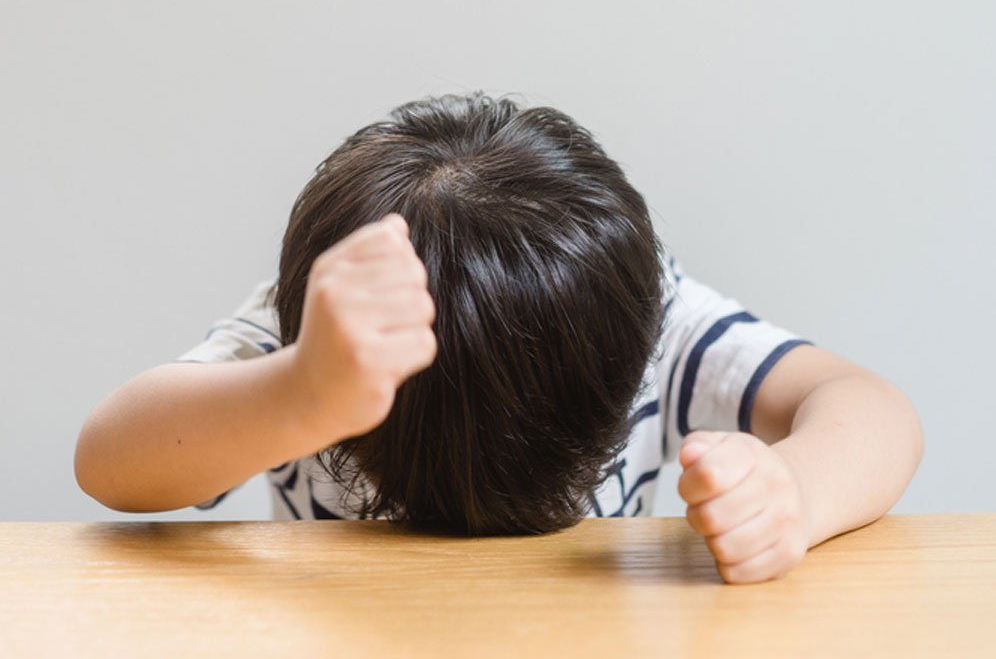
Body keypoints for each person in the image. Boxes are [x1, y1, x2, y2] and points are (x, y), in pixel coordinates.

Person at [74, 92, 923, 584]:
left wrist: (796, 493)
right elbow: (109, 462)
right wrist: (297, 390)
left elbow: (871, 409)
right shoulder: (331, 330)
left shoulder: (648, 312)